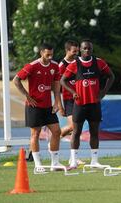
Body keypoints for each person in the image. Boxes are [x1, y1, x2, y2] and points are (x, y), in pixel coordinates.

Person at [60, 39, 115, 169]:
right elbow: (63, 81)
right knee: (76, 131)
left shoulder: (99, 62)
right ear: (80, 49)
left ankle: (94, 161)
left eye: (89, 48)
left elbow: (111, 76)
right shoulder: (75, 64)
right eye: (84, 48)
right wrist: (73, 92)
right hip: (80, 104)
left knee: (94, 132)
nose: (87, 51)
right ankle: (73, 161)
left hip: (94, 104)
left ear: (92, 49)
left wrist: (103, 92)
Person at [13, 43, 64, 170]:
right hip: (34, 106)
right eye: (48, 54)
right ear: (41, 53)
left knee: (57, 131)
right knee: (35, 133)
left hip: (48, 106)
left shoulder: (55, 66)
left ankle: (55, 163)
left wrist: (57, 101)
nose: (50, 57)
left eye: (52, 54)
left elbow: (56, 84)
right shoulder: (32, 66)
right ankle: (38, 164)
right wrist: (27, 96)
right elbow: (16, 80)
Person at [58, 40, 85, 165]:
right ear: (67, 51)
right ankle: (56, 137)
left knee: (76, 127)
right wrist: (60, 105)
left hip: (80, 98)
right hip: (69, 99)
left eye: (77, 52)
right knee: (75, 127)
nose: (76, 54)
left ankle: (73, 157)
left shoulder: (79, 62)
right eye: (74, 52)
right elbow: (57, 88)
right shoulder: (61, 66)